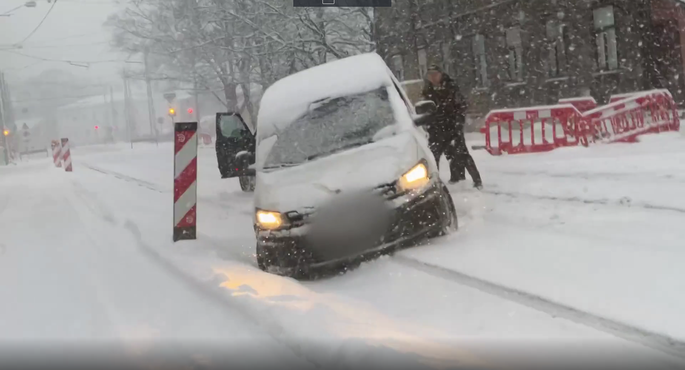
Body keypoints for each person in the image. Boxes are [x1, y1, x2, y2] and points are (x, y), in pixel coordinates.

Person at [421, 64, 483, 189]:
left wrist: (457, 122)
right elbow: (425, 109)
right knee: (434, 156)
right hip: (436, 128)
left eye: (435, 74)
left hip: (452, 126)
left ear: (440, 74)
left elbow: (461, 106)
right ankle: (434, 185)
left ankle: (476, 181)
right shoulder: (427, 90)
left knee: (462, 153)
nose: (433, 77)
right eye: (430, 75)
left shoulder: (451, 87)